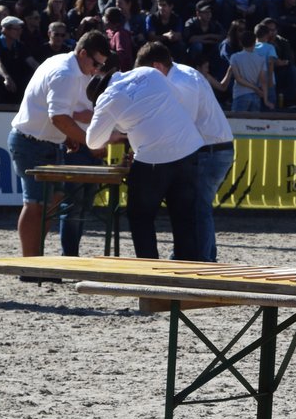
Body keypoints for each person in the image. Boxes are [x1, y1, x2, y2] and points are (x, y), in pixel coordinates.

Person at [86, 45, 204, 261]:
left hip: (153, 159)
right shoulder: (149, 72)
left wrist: (117, 132)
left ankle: (150, 269)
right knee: (185, 219)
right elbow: (178, 99)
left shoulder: (107, 99)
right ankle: (188, 273)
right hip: (188, 148)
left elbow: (93, 141)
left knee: (140, 217)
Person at [7, 30, 113, 260]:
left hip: (43, 142)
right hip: (32, 143)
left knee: (50, 205)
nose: (96, 70)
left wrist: (66, 138)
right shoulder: (67, 73)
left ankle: (35, 260)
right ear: (82, 53)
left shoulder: (63, 64)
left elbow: (53, 114)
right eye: (95, 63)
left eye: (100, 65)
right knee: (36, 205)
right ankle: (30, 264)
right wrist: (89, 143)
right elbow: (58, 118)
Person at [140, 40, 235, 263]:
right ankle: (199, 255)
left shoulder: (180, 83)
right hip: (215, 148)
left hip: (208, 150)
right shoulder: (185, 74)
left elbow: (182, 126)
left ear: (156, 67)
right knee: (197, 206)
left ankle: (202, 260)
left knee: (197, 207)